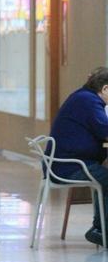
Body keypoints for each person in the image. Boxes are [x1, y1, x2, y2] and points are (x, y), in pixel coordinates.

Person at [49, 67, 108, 246]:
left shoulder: (83, 97)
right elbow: (105, 131)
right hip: (69, 166)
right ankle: (100, 230)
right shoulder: (89, 101)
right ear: (105, 89)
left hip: (69, 163)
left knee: (104, 177)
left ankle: (101, 229)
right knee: (106, 178)